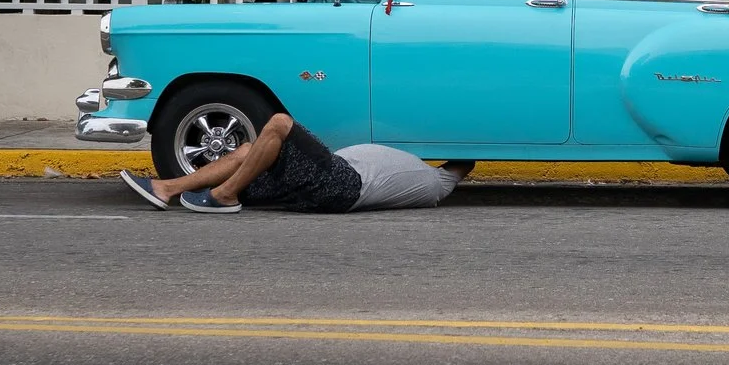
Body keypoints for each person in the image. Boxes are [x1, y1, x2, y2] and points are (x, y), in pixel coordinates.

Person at [120, 112, 472, 214]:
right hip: (321, 185)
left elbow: (462, 165)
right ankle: (166, 188)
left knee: (279, 124)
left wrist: (469, 151)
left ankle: (224, 195)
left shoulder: (436, 184)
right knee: (248, 152)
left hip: (344, 184)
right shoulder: (421, 174)